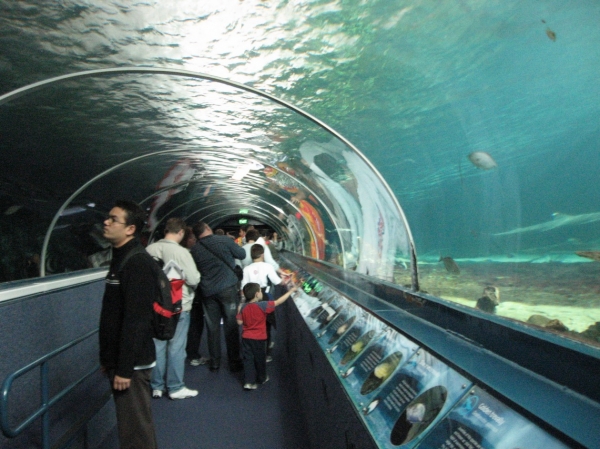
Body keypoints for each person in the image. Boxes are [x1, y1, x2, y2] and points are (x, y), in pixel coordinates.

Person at [98, 200, 158, 449]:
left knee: (136, 432)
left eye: (114, 219)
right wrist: (108, 360)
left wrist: (124, 368)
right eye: (107, 217)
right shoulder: (121, 258)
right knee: (131, 427)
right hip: (120, 360)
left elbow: (136, 319)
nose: (106, 222)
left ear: (131, 229)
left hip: (132, 364)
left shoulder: (138, 263)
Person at [146, 218, 200, 399]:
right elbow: (193, 279)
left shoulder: (149, 250)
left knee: (157, 345)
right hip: (179, 305)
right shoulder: (181, 252)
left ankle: (156, 386)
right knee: (176, 347)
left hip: (155, 306)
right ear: (181, 232)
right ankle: (175, 387)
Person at [191, 221, 246, 372]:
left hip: (207, 291)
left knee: (212, 327)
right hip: (228, 288)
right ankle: (234, 361)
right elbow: (242, 254)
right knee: (231, 325)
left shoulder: (194, 250)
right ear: (208, 228)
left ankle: (215, 362)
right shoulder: (224, 240)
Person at [236, 282, 298, 390]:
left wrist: (239, 307)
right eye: (260, 291)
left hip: (246, 338)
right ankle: (262, 377)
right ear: (256, 294)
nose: (261, 292)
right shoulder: (263, 305)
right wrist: (291, 291)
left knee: (248, 359)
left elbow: (239, 322)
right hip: (260, 339)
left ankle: (248, 382)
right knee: (260, 358)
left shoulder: (243, 307)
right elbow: (278, 302)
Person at [181, 226, 209, 366]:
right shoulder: (189, 255)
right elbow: (193, 278)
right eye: (192, 238)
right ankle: (193, 355)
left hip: (173, 297)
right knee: (195, 326)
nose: (194, 240)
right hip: (191, 296)